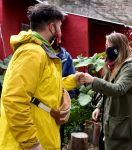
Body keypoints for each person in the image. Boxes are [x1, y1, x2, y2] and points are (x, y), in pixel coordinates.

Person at [0, 3, 83, 150]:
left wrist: (74, 80)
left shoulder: (41, 52)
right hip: (28, 143)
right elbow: (14, 99)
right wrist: (32, 143)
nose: (60, 33)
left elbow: (45, 86)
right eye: (59, 27)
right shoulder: (32, 53)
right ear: (52, 27)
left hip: (43, 135)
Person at [80, 32, 132, 150]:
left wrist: (93, 80)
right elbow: (107, 88)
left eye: (108, 46)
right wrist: (99, 107)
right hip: (116, 123)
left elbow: (118, 89)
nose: (106, 49)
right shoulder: (114, 65)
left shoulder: (129, 67)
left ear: (117, 48)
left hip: (127, 125)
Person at [52, 33, 77, 99]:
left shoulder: (66, 57)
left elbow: (71, 75)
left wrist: (70, 97)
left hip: (62, 93)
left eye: (55, 39)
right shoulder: (44, 54)